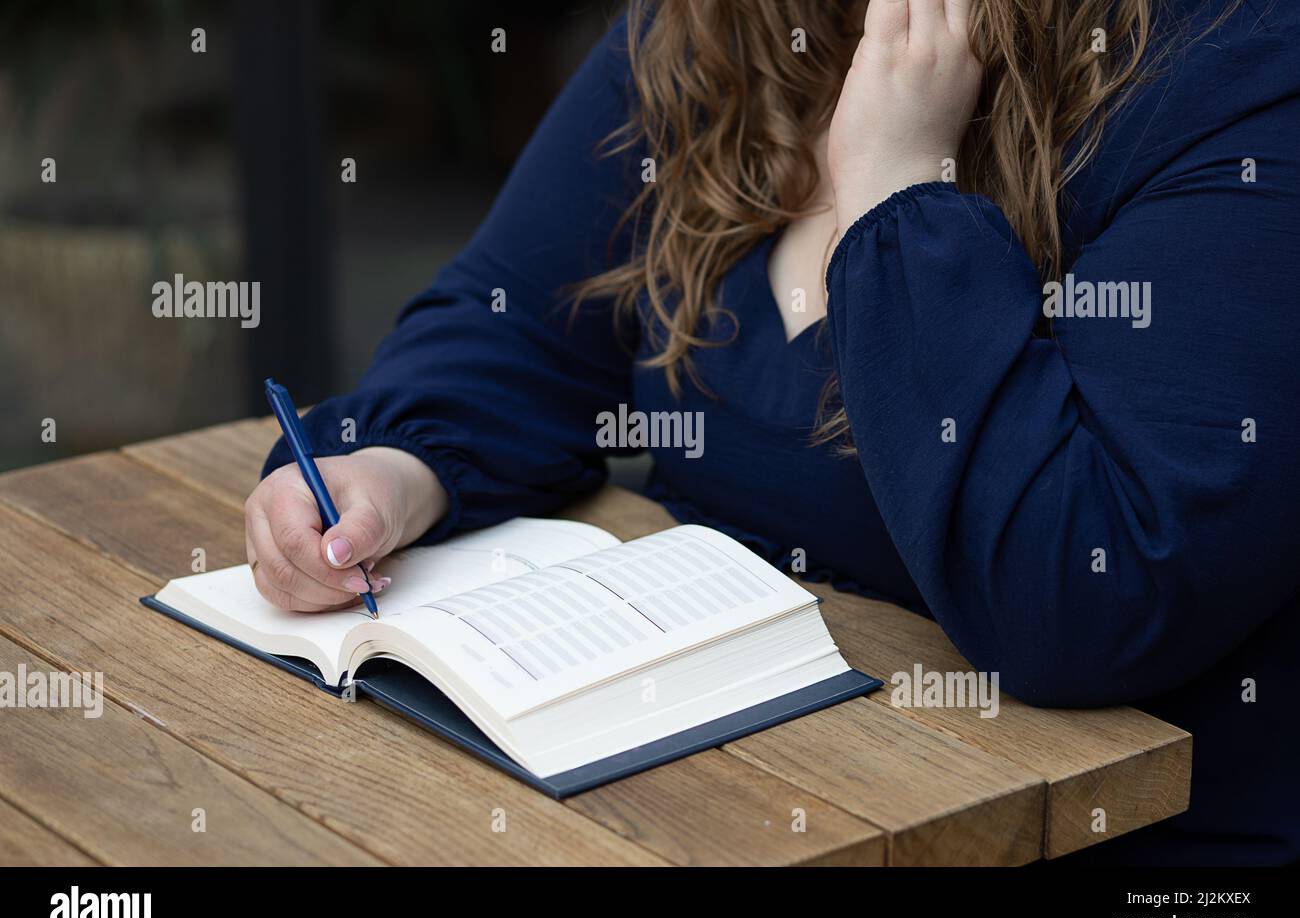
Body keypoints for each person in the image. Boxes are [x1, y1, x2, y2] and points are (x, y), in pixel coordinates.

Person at [246, 0, 1300, 864]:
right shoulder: (723, 25)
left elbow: (1087, 588)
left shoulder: (1236, 66)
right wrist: (397, 464)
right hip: (691, 790)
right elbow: (518, 315)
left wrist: (898, 191)